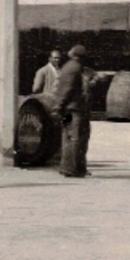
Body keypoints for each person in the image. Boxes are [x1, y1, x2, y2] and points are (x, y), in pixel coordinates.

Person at [51, 44, 91, 178]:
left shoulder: (69, 66)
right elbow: (67, 90)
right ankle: (73, 168)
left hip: (68, 110)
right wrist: (58, 106)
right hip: (73, 110)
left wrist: (59, 107)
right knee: (75, 137)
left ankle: (68, 167)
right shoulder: (75, 68)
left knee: (68, 136)